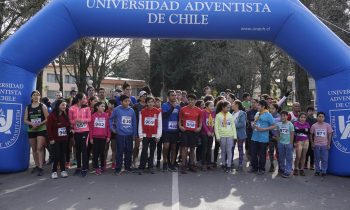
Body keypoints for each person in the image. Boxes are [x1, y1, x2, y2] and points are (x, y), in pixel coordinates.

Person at [109, 94, 137, 175]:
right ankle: (118, 168)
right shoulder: (117, 109)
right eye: (125, 101)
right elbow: (111, 119)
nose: (127, 103)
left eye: (128, 101)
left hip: (129, 134)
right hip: (120, 134)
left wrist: (134, 134)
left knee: (129, 151)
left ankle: (127, 167)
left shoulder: (131, 110)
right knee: (119, 152)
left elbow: (134, 122)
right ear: (121, 102)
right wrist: (112, 129)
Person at [24, 90, 49, 176]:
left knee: (39, 148)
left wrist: (39, 124)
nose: (35, 96)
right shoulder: (28, 107)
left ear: (40, 97)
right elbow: (25, 120)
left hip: (41, 129)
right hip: (31, 129)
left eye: (37, 95)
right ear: (31, 97)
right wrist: (32, 123)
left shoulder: (43, 106)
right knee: (34, 149)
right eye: (34, 95)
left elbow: (47, 118)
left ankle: (41, 167)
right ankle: (37, 166)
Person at [250, 100, 276, 175]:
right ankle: (254, 167)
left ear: (263, 106)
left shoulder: (268, 115)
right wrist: (253, 125)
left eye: (258, 105)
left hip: (263, 138)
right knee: (253, 153)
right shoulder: (257, 113)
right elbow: (255, 122)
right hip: (254, 136)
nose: (257, 106)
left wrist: (263, 129)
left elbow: (274, 125)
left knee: (262, 154)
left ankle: (262, 169)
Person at [69, 93, 91, 177]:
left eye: (86, 98)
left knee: (84, 149)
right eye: (84, 98)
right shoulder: (72, 108)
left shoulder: (87, 108)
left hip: (85, 131)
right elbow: (70, 120)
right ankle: (78, 167)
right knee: (77, 149)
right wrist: (75, 121)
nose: (85, 100)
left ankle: (84, 168)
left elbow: (89, 119)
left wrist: (82, 120)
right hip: (76, 132)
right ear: (79, 99)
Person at [179, 94, 202, 174]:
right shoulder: (183, 109)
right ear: (187, 100)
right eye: (189, 100)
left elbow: (200, 121)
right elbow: (180, 120)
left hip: (194, 132)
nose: (191, 101)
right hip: (185, 131)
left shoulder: (199, 110)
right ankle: (183, 165)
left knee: (192, 148)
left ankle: (192, 164)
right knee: (184, 148)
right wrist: (180, 126)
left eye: (192, 100)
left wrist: (199, 127)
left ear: (195, 101)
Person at [138, 96, 162, 174]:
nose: (150, 103)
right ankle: (142, 166)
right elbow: (140, 124)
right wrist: (140, 135)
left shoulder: (158, 111)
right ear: (146, 103)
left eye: (152, 102)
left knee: (152, 151)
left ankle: (150, 166)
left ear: (154, 103)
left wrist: (158, 136)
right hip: (145, 135)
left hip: (154, 135)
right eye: (149, 102)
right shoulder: (142, 111)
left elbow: (159, 124)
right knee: (144, 151)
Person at [47, 99, 70, 179]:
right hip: (55, 139)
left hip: (64, 139)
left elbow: (67, 126)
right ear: (58, 106)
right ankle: (54, 171)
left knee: (62, 155)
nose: (64, 106)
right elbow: (49, 128)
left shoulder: (65, 115)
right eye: (63, 105)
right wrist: (51, 139)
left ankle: (63, 170)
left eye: (65, 105)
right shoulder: (52, 115)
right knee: (56, 155)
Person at [215, 101, 237, 173]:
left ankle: (229, 165)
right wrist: (217, 136)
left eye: (229, 107)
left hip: (230, 135)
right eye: (227, 107)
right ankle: (223, 164)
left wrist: (235, 136)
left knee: (229, 151)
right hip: (222, 136)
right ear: (223, 107)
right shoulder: (218, 115)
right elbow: (216, 127)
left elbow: (233, 126)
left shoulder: (230, 115)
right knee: (223, 151)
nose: (229, 109)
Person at [161, 90, 181, 171]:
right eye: (172, 95)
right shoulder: (164, 105)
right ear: (168, 97)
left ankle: (172, 164)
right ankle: (165, 161)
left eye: (175, 95)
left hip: (175, 131)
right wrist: (172, 107)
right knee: (166, 146)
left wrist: (179, 130)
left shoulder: (178, 106)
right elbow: (164, 115)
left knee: (174, 147)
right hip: (166, 130)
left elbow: (180, 118)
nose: (174, 97)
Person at [90, 102, 110, 175]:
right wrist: (91, 138)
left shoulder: (106, 116)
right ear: (97, 107)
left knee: (102, 153)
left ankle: (102, 166)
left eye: (104, 107)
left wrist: (108, 136)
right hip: (95, 137)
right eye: (102, 106)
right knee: (95, 153)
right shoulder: (93, 116)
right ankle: (96, 167)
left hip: (103, 138)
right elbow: (91, 128)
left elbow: (108, 127)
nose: (103, 108)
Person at [310, 112, 333, 177]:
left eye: (322, 117)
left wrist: (328, 144)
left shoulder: (327, 125)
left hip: (324, 145)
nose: (321, 118)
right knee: (317, 159)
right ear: (317, 117)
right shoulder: (314, 126)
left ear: (324, 118)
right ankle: (317, 170)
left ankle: (323, 171)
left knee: (324, 159)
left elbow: (330, 134)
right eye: (319, 116)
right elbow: (311, 135)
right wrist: (312, 143)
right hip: (316, 145)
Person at [276, 111, 295, 178]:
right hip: (281, 143)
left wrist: (291, 143)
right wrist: (278, 141)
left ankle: (288, 171)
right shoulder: (278, 124)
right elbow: (277, 133)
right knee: (281, 157)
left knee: (289, 158)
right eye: (282, 116)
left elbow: (292, 134)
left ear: (287, 116)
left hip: (288, 144)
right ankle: (283, 169)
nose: (283, 117)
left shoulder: (290, 124)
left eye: (284, 115)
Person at [133, 90, 147, 168]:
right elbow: (134, 118)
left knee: (145, 146)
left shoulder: (148, 105)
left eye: (145, 96)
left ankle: (144, 161)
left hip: (147, 128)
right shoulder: (136, 105)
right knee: (137, 146)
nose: (144, 97)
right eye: (142, 96)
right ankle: (134, 160)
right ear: (140, 97)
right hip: (138, 128)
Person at [231, 100, 247, 171]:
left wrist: (232, 125)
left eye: (233, 104)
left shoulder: (242, 113)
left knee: (240, 149)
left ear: (237, 105)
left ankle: (240, 164)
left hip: (240, 134)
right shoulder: (232, 113)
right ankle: (230, 163)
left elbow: (242, 124)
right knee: (231, 149)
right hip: (232, 134)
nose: (231, 105)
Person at [201, 101, 215, 171]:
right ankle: (203, 164)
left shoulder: (213, 113)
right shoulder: (203, 112)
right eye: (211, 106)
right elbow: (203, 122)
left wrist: (212, 131)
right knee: (205, 149)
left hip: (211, 134)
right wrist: (207, 131)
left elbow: (214, 122)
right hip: (204, 133)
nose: (212, 107)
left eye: (213, 106)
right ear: (206, 107)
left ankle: (209, 163)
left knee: (209, 149)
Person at [268, 103, 281, 173]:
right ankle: (271, 165)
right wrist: (271, 135)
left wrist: (278, 136)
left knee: (279, 152)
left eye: (273, 108)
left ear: (276, 109)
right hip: (270, 137)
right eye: (270, 108)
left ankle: (280, 167)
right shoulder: (268, 116)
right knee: (271, 151)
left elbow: (281, 127)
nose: (271, 110)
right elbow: (267, 126)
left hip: (278, 137)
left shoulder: (280, 116)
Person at [105, 99, 117, 170]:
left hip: (114, 133)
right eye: (109, 104)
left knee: (114, 149)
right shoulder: (105, 112)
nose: (111, 105)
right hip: (106, 133)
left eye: (112, 104)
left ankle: (113, 163)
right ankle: (104, 163)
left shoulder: (117, 112)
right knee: (105, 148)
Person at [245, 99, 258, 165]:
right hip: (250, 131)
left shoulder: (259, 112)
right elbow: (247, 122)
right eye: (252, 102)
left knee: (257, 147)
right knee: (250, 147)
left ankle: (256, 160)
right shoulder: (249, 112)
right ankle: (251, 161)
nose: (253, 104)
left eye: (254, 102)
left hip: (258, 132)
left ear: (258, 104)